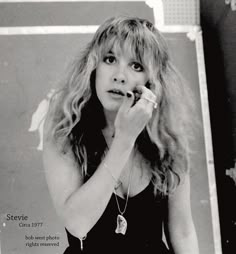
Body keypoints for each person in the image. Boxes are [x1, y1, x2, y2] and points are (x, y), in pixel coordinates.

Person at [43, 15, 199, 254]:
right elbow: (77, 224)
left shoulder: (167, 137)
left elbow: (183, 231)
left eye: (136, 66)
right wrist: (125, 138)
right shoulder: (65, 127)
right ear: (93, 66)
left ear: (153, 81)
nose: (119, 75)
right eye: (110, 59)